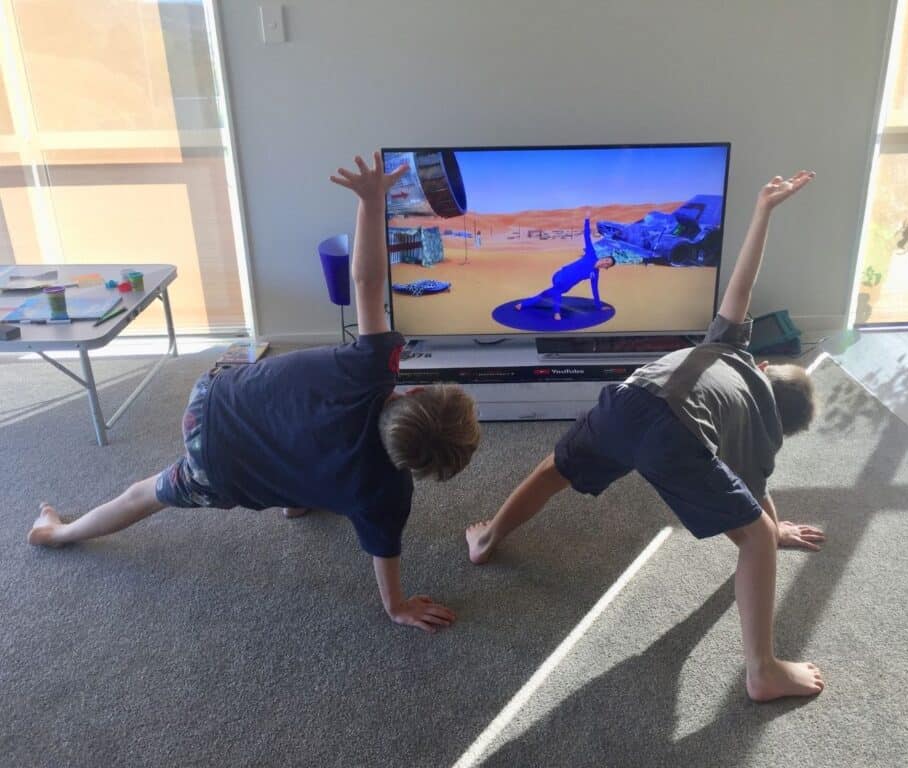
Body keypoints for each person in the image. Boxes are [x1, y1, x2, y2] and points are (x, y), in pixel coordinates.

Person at [28, 152, 480, 634]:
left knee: (294, 432)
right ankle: (62, 532)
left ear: (417, 391)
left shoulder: (373, 367)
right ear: (423, 471)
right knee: (149, 493)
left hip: (216, 399)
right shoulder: (385, 494)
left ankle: (57, 533)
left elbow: (367, 281)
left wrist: (371, 201)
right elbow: (383, 550)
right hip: (220, 470)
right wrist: (396, 606)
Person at [467, 171, 827, 700]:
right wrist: (771, 533)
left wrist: (763, 211)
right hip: (672, 435)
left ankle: (487, 538)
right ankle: (763, 669)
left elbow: (740, 287)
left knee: (554, 471)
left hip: (626, 402)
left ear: (764, 364)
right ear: (783, 427)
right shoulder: (760, 429)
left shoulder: (728, 346)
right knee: (754, 540)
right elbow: (752, 495)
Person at [516, 217, 614, 321]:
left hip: (567, 286)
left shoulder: (595, 274)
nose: (606, 262)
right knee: (557, 289)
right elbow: (587, 238)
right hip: (560, 276)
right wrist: (586, 220)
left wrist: (599, 307)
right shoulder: (591, 255)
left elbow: (595, 290)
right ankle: (557, 313)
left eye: (608, 263)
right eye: (607, 259)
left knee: (545, 294)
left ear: (606, 267)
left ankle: (523, 304)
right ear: (604, 258)